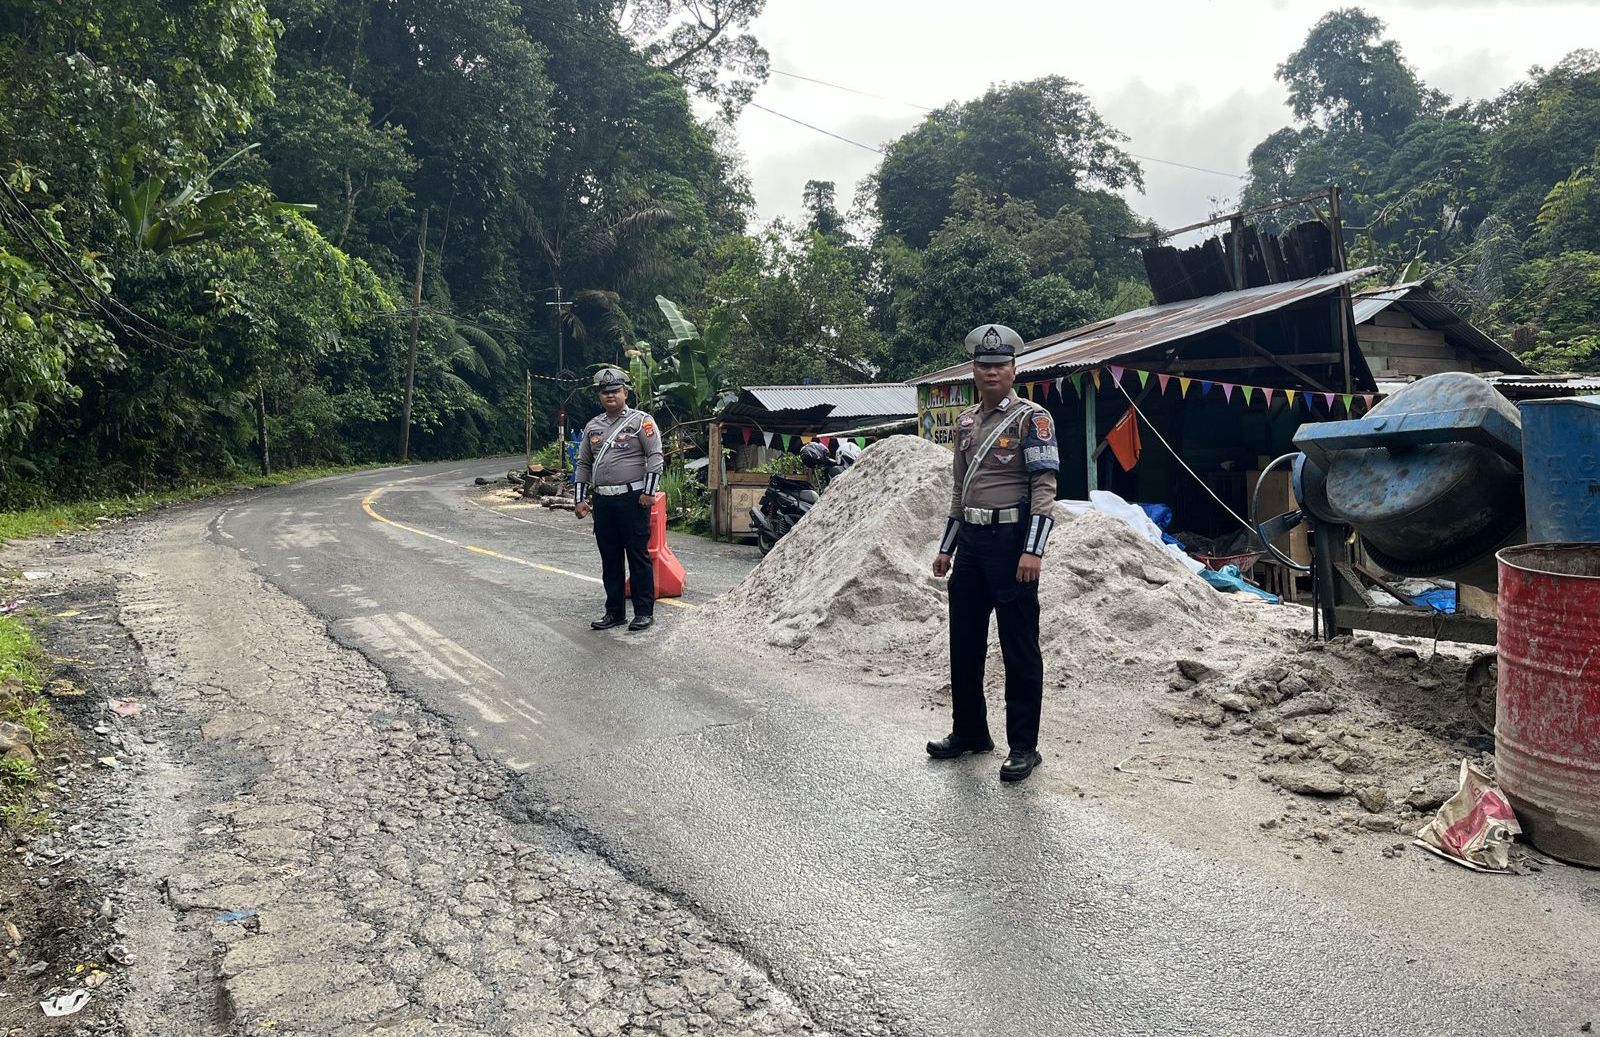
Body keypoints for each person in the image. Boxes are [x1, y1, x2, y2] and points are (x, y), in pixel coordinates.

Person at [928, 324, 1059, 783]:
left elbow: (1044, 488)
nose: (991, 372)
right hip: (972, 545)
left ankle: (1023, 747)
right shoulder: (966, 423)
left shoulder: (1032, 419)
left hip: (1011, 544)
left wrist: (1033, 551)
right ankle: (969, 731)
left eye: (1000, 365)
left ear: (1014, 370)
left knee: (1018, 645)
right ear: (973, 370)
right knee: (964, 641)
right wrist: (947, 548)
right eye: (984, 365)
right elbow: (958, 492)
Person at [573, 368, 665, 631]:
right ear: (599, 396)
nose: (610, 395)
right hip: (603, 502)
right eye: (605, 392)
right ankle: (614, 613)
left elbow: (655, 457)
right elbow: (583, 464)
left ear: (625, 393)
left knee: (637, 557)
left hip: (633, 500)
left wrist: (649, 492)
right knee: (610, 559)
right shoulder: (593, 426)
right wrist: (580, 499)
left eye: (615, 391)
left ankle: (644, 612)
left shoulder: (641, 421)